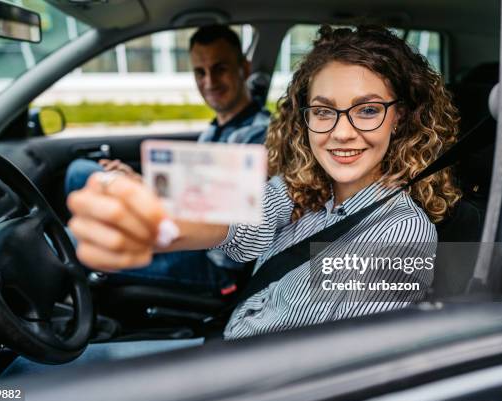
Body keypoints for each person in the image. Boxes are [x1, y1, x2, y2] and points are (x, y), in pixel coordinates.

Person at [67, 25, 461, 340]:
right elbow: (241, 217)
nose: (342, 132)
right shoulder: (303, 187)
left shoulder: (400, 232)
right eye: (323, 111)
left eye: (368, 110)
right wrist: (157, 222)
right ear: (304, 117)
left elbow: (330, 367)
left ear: (401, 118)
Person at [64, 25, 270, 296]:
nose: (209, 82)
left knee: (71, 243)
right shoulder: (213, 130)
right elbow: (196, 194)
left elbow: (234, 216)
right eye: (200, 72)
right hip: (187, 238)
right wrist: (141, 184)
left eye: (220, 68)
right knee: (82, 172)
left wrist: (147, 193)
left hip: (215, 263)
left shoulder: (262, 137)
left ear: (243, 68)